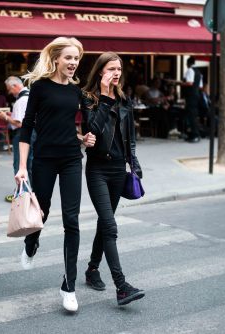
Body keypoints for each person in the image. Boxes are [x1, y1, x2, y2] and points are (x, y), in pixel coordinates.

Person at [14, 37, 96, 312]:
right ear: (57, 59)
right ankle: (30, 243)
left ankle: (69, 286)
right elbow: (26, 128)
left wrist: (85, 139)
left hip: (72, 158)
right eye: (69, 58)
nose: (73, 63)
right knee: (43, 212)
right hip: (45, 159)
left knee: (72, 221)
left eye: (77, 59)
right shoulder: (40, 88)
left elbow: (83, 127)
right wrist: (22, 167)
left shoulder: (77, 92)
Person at [81, 52, 145, 306]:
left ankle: (92, 269)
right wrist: (105, 96)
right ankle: (121, 286)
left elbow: (129, 139)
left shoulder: (124, 100)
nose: (116, 72)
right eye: (111, 68)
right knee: (110, 226)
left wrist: (135, 166)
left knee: (104, 223)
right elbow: (91, 131)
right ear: (100, 71)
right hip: (97, 169)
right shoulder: (88, 98)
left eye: (118, 69)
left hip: (119, 170)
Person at [0, 76, 35, 202]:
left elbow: (19, 124)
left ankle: (22, 193)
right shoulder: (31, 95)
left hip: (22, 134)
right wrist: (13, 115)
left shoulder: (21, 100)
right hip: (33, 133)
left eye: (9, 89)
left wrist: (5, 117)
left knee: (20, 164)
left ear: (15, 86)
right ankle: (31, 191)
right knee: (30, 163)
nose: (9, 92)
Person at [180, 56, 203, 142]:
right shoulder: (199, 72)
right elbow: (200, 87)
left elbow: (189, 83)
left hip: (190, 95)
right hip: (196, 95)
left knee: (191, 115)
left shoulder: (190, 70)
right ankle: (193, 134)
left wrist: (180, 83)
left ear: (188, 63)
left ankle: (194, 135)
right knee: (193, 115)